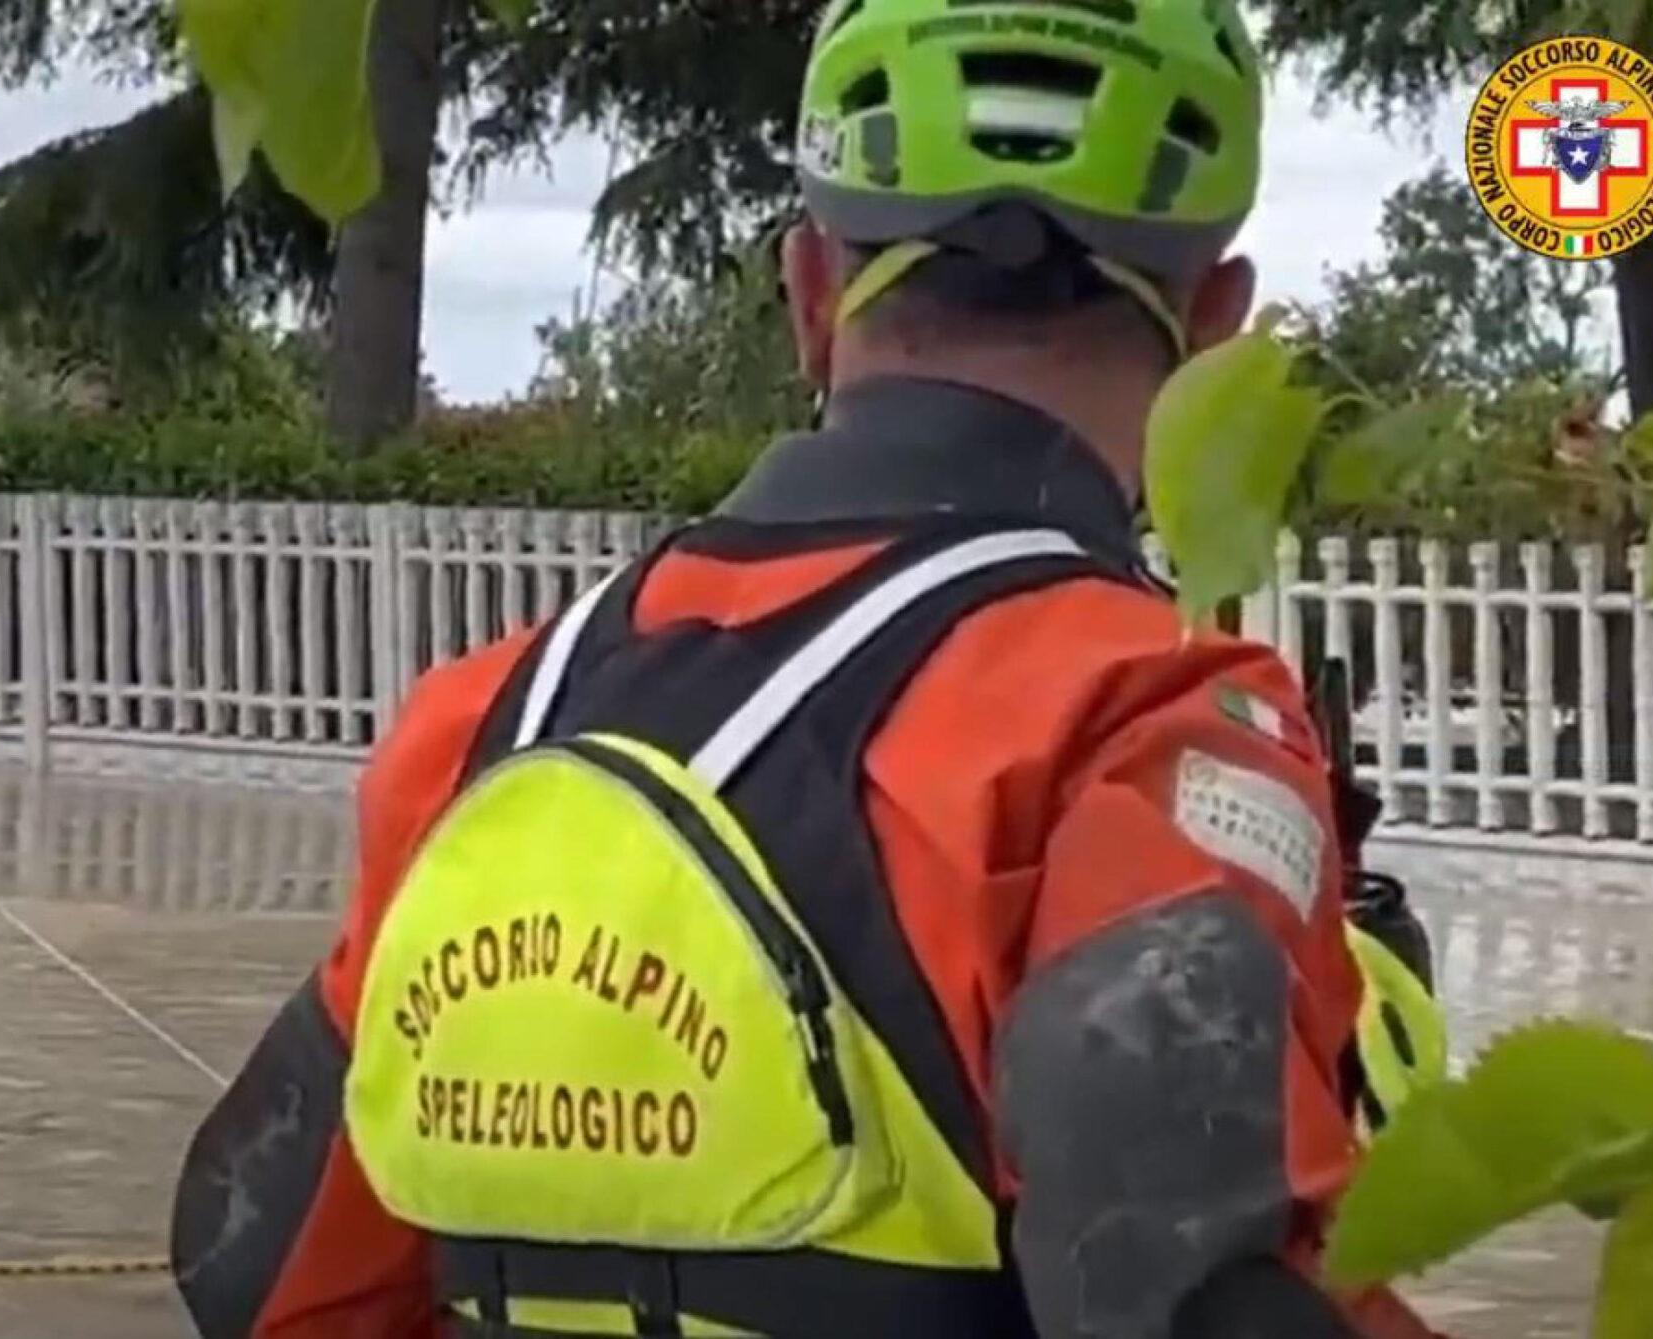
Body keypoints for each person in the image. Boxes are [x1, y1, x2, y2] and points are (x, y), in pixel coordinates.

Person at [168, 1, 1450, 1336]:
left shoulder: (480, 723)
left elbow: (250, 1260)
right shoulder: (1150, 717)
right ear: (1218, 327)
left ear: (813, 291)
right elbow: (1182, 1274)